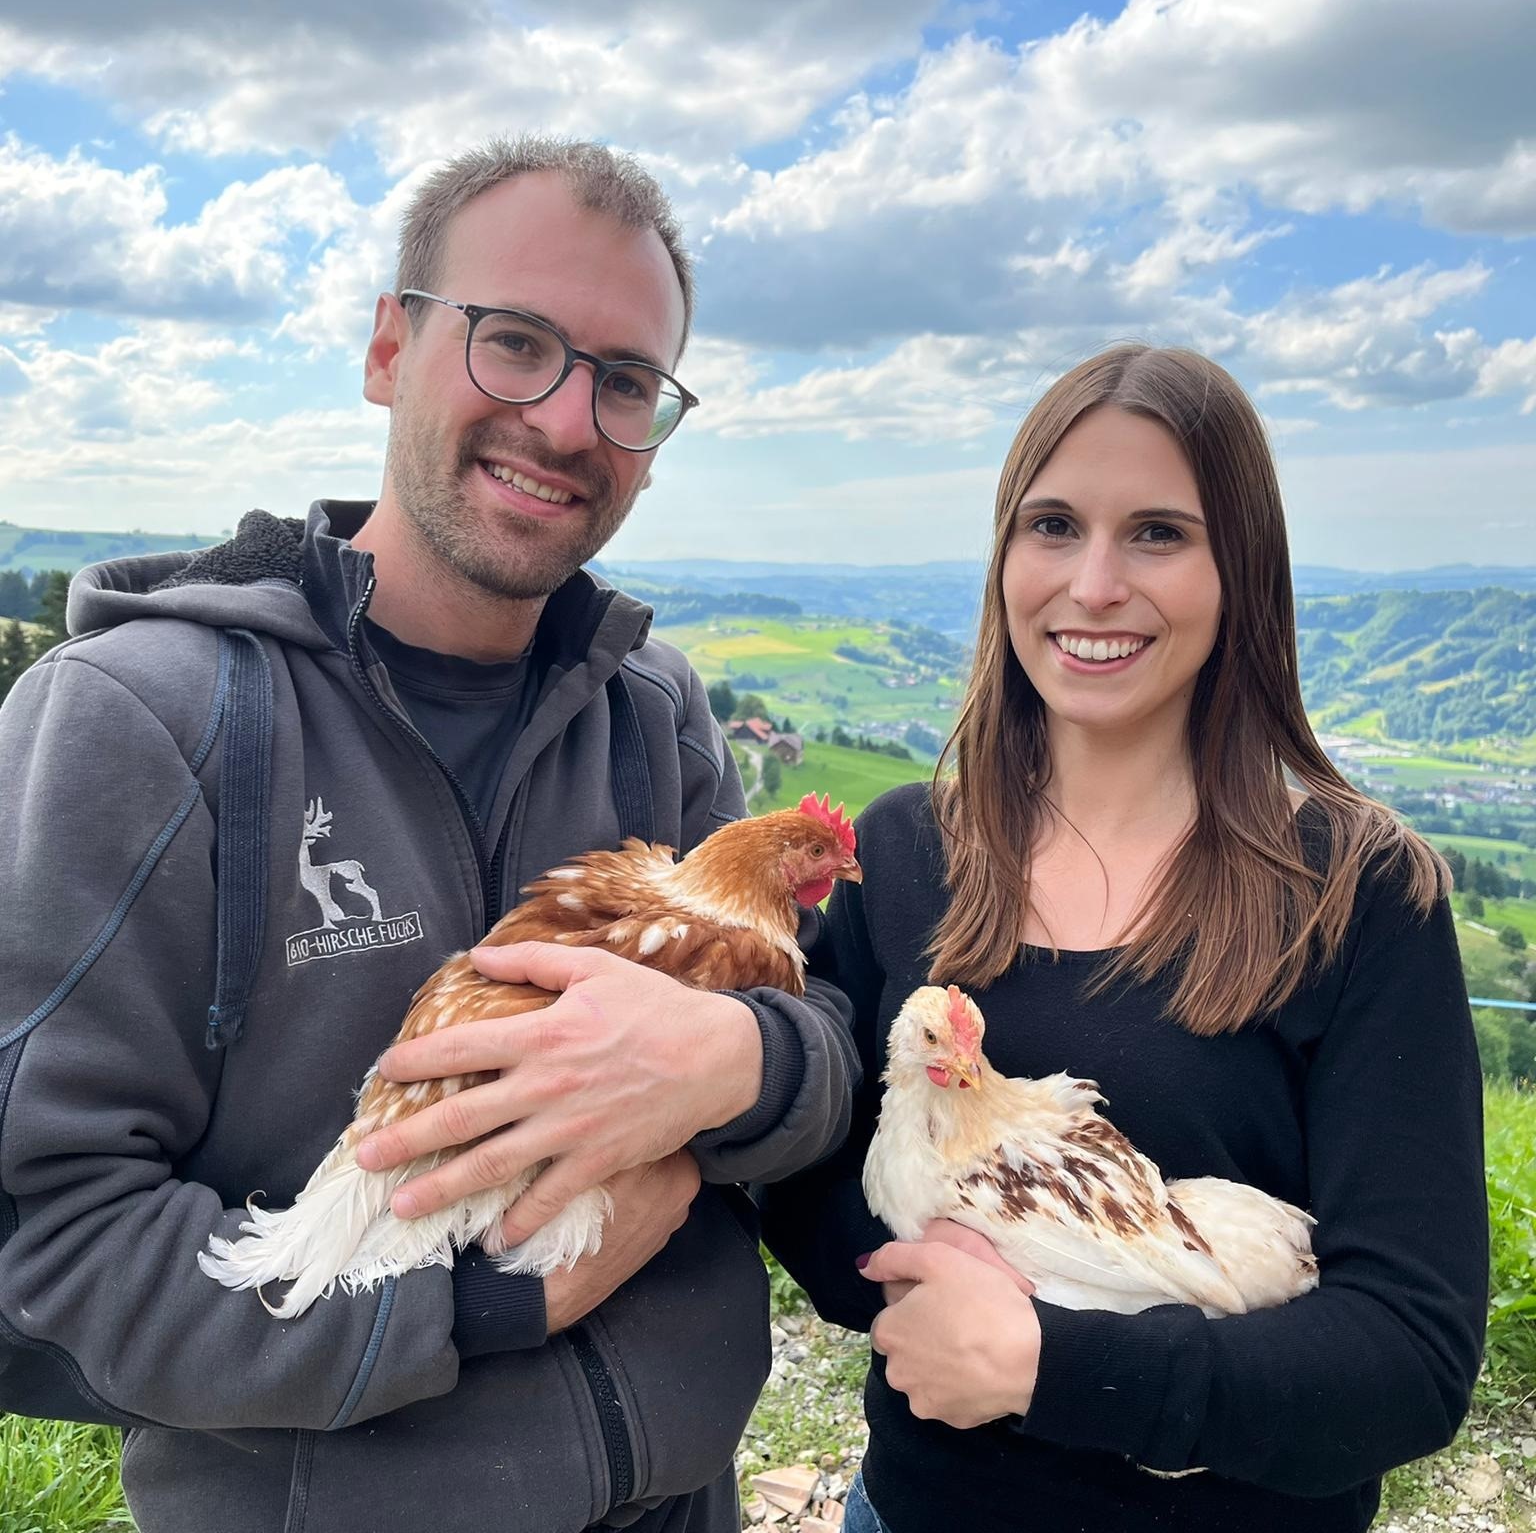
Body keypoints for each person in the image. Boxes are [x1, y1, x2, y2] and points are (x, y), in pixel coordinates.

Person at [0, 137, 857, 1533]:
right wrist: (482, 1300)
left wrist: (736, 1060)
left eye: (627, 381)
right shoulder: (139, 721)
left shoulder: (652, 714)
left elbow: (824, 1057)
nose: (571, 421)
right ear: (388, 348)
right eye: (515, 342)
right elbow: (44, 1241)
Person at [762, 345, 1487, 1533]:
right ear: (1004, 555)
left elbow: (1410, 1354)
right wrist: (938, 1269)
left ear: (1239, 571)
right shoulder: (905, 854)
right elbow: (809, 1181)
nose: (1093, 585)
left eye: (1158, 533)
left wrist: (1051, 1361)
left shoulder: (1358, 892)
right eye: (1052, 525)